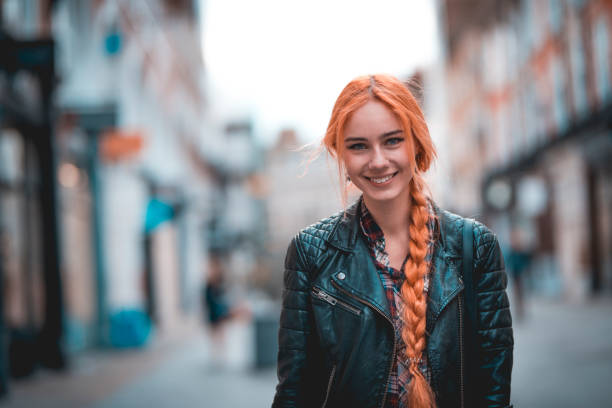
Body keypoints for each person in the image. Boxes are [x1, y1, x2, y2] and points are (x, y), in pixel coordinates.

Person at [272, 74, 513, 408]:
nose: (378, 160)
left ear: (416, 143)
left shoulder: (475, 247)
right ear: (340, 154)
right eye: (358, 146)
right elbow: (295, 392)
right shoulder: (310, 253)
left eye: (392, 141)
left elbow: (494, 391)